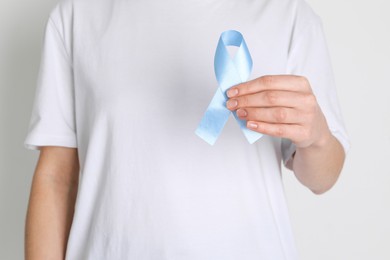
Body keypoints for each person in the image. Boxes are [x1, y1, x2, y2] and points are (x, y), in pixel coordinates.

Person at [23, 0, 350, 259]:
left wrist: (317, 138)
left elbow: (323, 178)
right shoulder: (78, 14)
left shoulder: (289, 14)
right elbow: (56, 178)